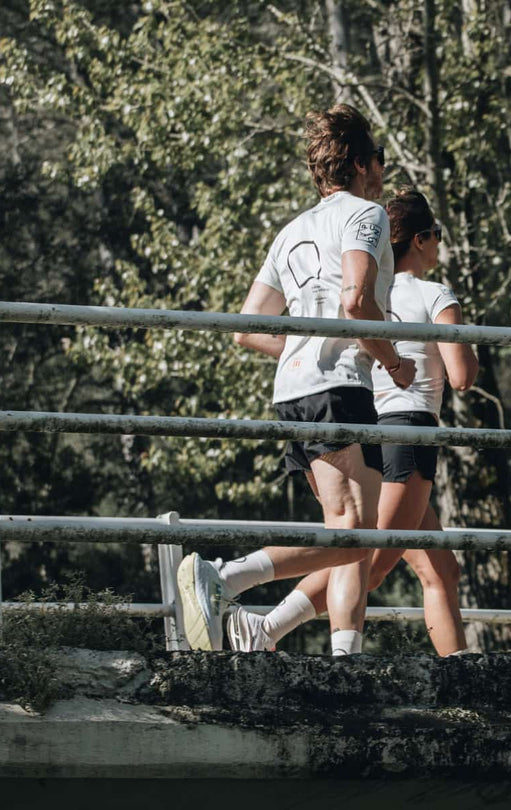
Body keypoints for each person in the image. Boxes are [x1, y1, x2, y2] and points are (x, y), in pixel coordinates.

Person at [175, 103, 416, 655]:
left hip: (299, 387)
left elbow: (247, 326)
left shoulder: (291, 230)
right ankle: (226, 577)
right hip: (337, 386)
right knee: (354, 531)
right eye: (378, 160)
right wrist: (395, 362)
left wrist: (305, 349)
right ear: (359, 163)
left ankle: (344, 654)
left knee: (351, 534)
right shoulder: (366, 213)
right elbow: (356, 302)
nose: (382, 172)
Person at [227, 189, 478, 656]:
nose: (440, 245)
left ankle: (460, 671)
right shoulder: (434, 294)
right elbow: (462, 376)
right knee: (369, 558)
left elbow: (252, 327)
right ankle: (265, 627)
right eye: (437, 236)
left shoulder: (378, 287)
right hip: (411, 430)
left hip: (369, 424)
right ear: (421, 240)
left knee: (440, 570)